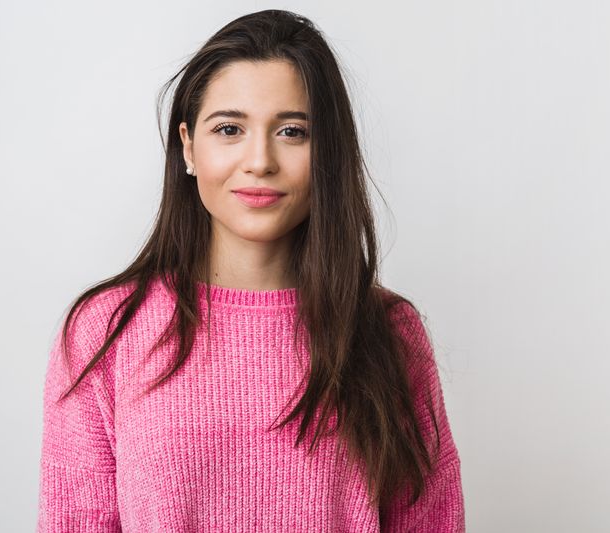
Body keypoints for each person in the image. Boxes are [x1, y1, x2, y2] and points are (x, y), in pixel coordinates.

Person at [36, 9, 465, 532]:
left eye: (291, 131)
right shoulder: (105, 333)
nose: (259, 160)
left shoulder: (389, 333)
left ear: (328, 152)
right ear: (189, 147)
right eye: (230, 129)